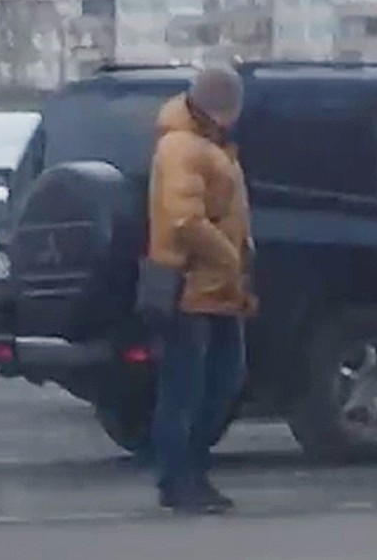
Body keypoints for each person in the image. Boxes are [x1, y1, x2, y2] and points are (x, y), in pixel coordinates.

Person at [147, 65, 256, 513]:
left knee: (223, 381)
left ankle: (190, 470)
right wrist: (229, 256)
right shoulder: (181, 147)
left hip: (218, 288)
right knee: (186, 388)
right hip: (191, 284)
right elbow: (182, 219)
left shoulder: (208, 145)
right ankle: (179, 477)